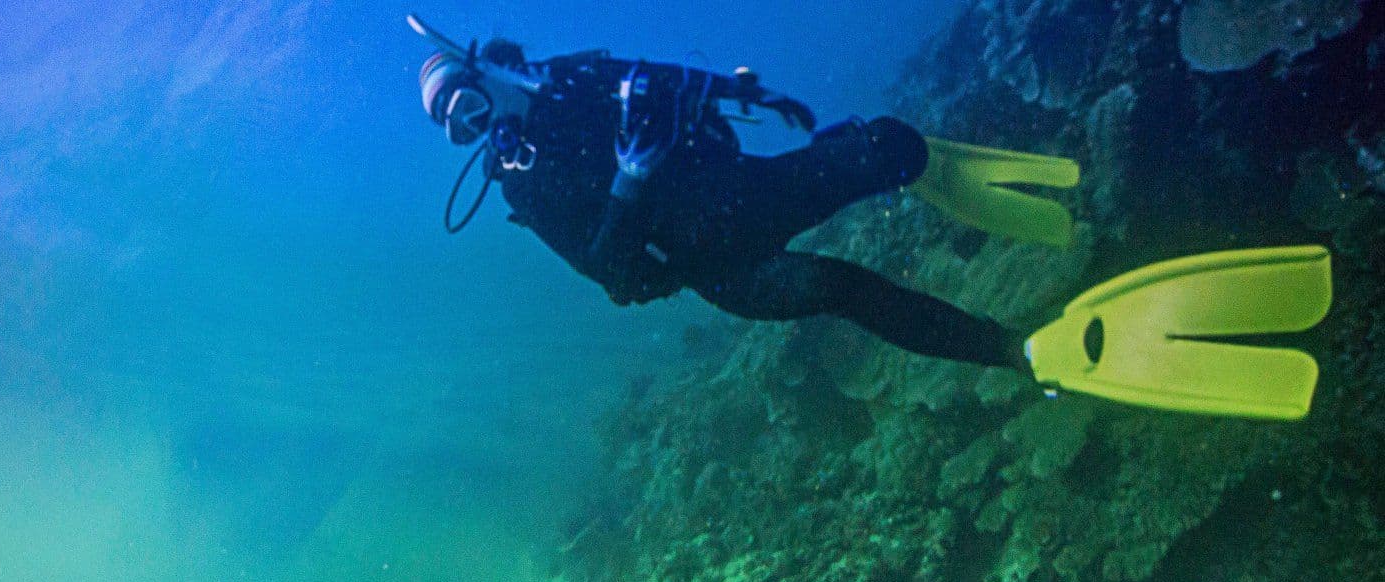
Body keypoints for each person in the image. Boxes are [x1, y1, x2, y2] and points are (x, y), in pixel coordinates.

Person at [410, 19, 1336, 420]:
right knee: (837, 286)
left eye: (465, 95)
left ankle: (933, 171)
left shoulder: (574, 75)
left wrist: (751, 93)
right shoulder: (523, 185)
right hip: (715, 265)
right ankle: (1025, 355)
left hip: (752, 192)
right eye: (452, 121)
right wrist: (632, 182)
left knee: (885, 143)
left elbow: (665, 81)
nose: (471, 118)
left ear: (485, 68)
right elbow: (619, 278)